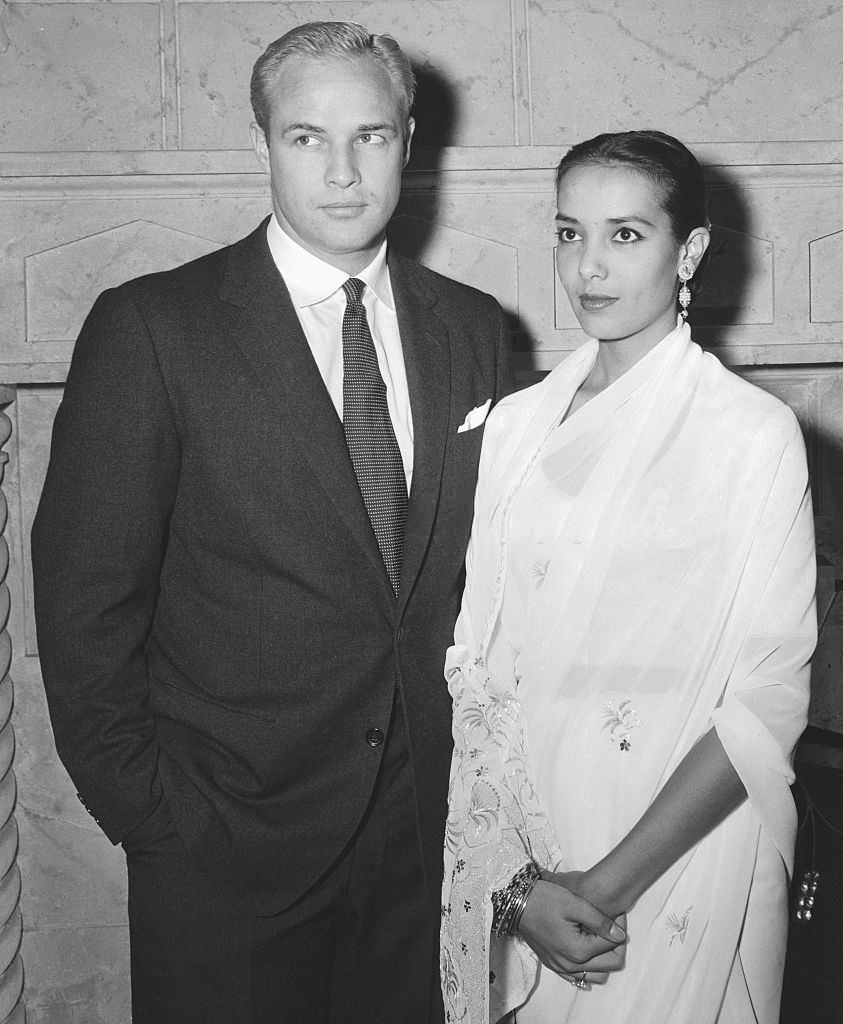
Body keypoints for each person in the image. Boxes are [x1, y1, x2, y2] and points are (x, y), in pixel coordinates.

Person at [32, 21, 516, 1024]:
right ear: (261, 144)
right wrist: (157, 820)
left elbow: (506, 576)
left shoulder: (475, 332)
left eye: (370, 136)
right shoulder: (155, 329)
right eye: (306, 138)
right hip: (226, 856)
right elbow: (84, 605)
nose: (342, 171)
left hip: (426, 849)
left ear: (409, 141)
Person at [441, 130, 817, 1024]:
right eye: (570, 233)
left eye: (625, 235)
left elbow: (767, 701)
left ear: (688, 250)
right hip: (527, 845)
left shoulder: (750, 437)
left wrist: (608, 885)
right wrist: (515, 884)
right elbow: (477, 670)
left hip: (677, 848)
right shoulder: (514, 431)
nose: (589, 268)